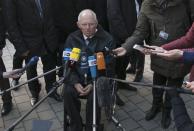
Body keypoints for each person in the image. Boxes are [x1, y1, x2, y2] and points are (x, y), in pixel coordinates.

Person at [113, 0, 194, 129]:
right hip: (158, 52)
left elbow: (191, 35)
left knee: (172, 90)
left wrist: (188, 55)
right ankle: (156, 106)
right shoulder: (147, 4)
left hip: (180, 55)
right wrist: (126, 47)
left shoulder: (186, 3)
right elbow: (140, 31)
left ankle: (167, 111)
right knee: (157, 84)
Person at [63, 9, 115, 131]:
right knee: (67, 92)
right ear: (78, 25)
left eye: (91, 24)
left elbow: (109, 67)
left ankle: (92, 126)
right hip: (77, 78)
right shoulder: (72, 38)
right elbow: (67, 63)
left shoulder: (108, 39)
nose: (88, 28)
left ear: (96, 23)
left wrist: (93, 84)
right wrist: (75, 82)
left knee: (95, 96)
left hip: (97, 79)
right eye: (84, 24)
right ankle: (76, 125)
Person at [3, 0, 62, 106]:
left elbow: (56, 12)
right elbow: (11, 24)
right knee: (31, 69)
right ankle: (34, 93)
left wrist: (56, 36)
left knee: (50, 66)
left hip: (49, 38)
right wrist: (21, 47)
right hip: (28, 41)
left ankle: (51, 90)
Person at [107, 0, 145, 84]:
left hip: (133, 35)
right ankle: (115, 88)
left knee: (125, 63)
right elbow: (114, 16)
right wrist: (126, 38)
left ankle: (122, 83)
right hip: (121, 38)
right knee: (118, 66)